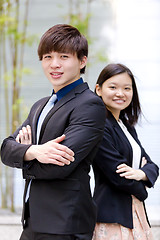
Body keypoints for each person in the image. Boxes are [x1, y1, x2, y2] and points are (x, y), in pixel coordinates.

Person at [1, 24, 106, 240]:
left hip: (65, 224)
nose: (54, 64)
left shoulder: (90, 105)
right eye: (47, 56)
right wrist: (34, 151)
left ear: (82, 60)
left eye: (64, 57)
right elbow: (5, 149)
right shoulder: (40, 105)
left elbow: (60, 165)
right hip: (32, 221)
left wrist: (23, 154)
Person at [92, 63, 159, 240]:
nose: (120, 93)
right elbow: (118, 175)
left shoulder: (127, 127)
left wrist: (140, 174)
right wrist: (143, 190)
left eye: (126, 88)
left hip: (135, 211)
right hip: (113, 217)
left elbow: (152, 166)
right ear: (98, 89)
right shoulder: (98, 125)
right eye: (113, 87)